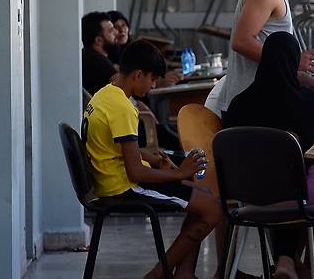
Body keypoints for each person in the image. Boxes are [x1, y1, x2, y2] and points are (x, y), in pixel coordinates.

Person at [82, 40, 225, 279]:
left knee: (200, 198)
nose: (153, 86)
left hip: (112, 178)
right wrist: (179, 173)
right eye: (152, 79)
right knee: (213, 210)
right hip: (123, 187)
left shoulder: (105, 94)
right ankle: (158, 274)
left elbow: (127, 150)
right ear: (138, 74)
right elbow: (136, 173)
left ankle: (184, 273)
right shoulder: (122, 108)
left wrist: (159, 161)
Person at [223, 32, 314, 279]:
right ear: (294, 62)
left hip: (247, 197)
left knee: (282, 180)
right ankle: (313, 267)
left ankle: (287, 262)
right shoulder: (312, 104)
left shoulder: (238, 104)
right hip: (296, 196)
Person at [107, 10, 183, 87]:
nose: (121, 30)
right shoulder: (107, 57)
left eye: (124, 25)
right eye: (116, 27)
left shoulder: (135, 48)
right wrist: (157, 82)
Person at [82, 11, 119, 95]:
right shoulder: (98, 61)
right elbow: (125, 89)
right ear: (99, 40)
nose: (116, 33)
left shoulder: (87, 55)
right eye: (111, 31)